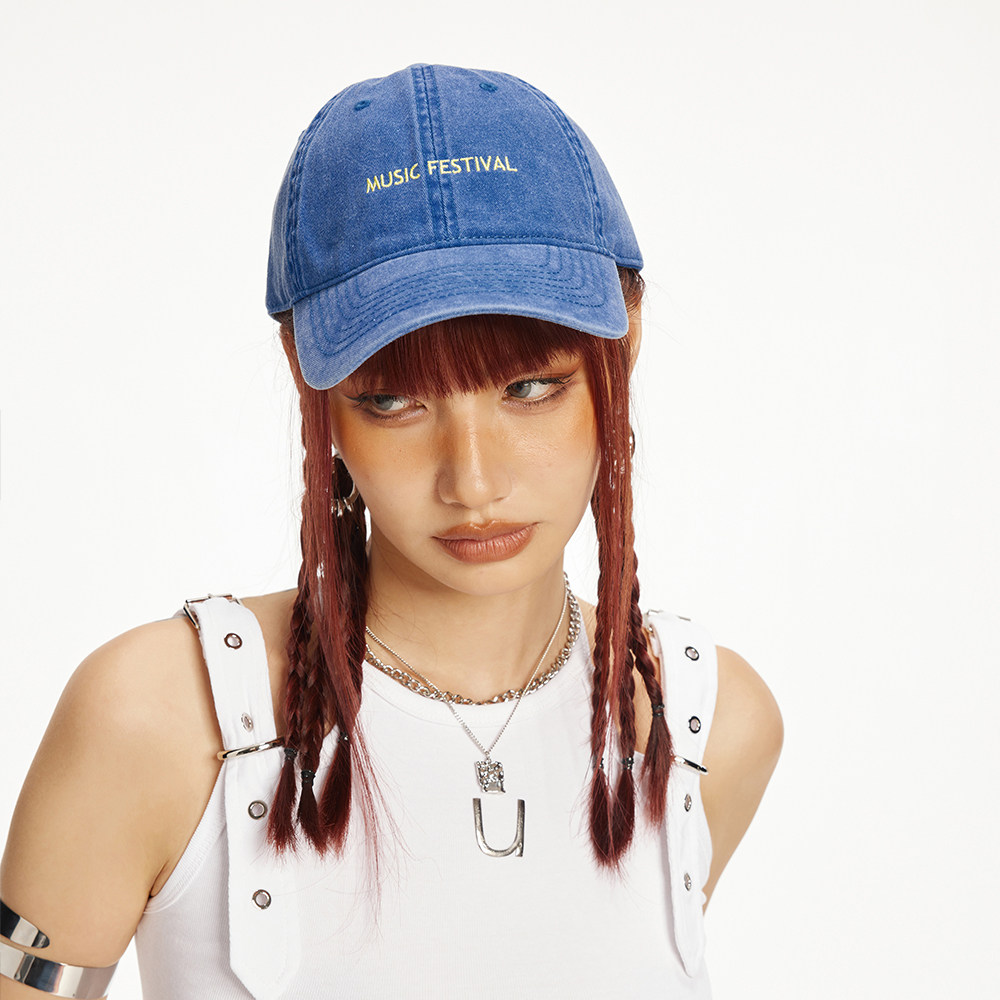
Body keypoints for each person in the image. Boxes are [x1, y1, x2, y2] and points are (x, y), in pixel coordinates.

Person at [0, 64, 782, 999]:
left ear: (630, 335)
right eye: (394, 401)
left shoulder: (705, 724)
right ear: (308, 374)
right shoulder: (159, 716)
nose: (473, 482)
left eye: (532, 387)